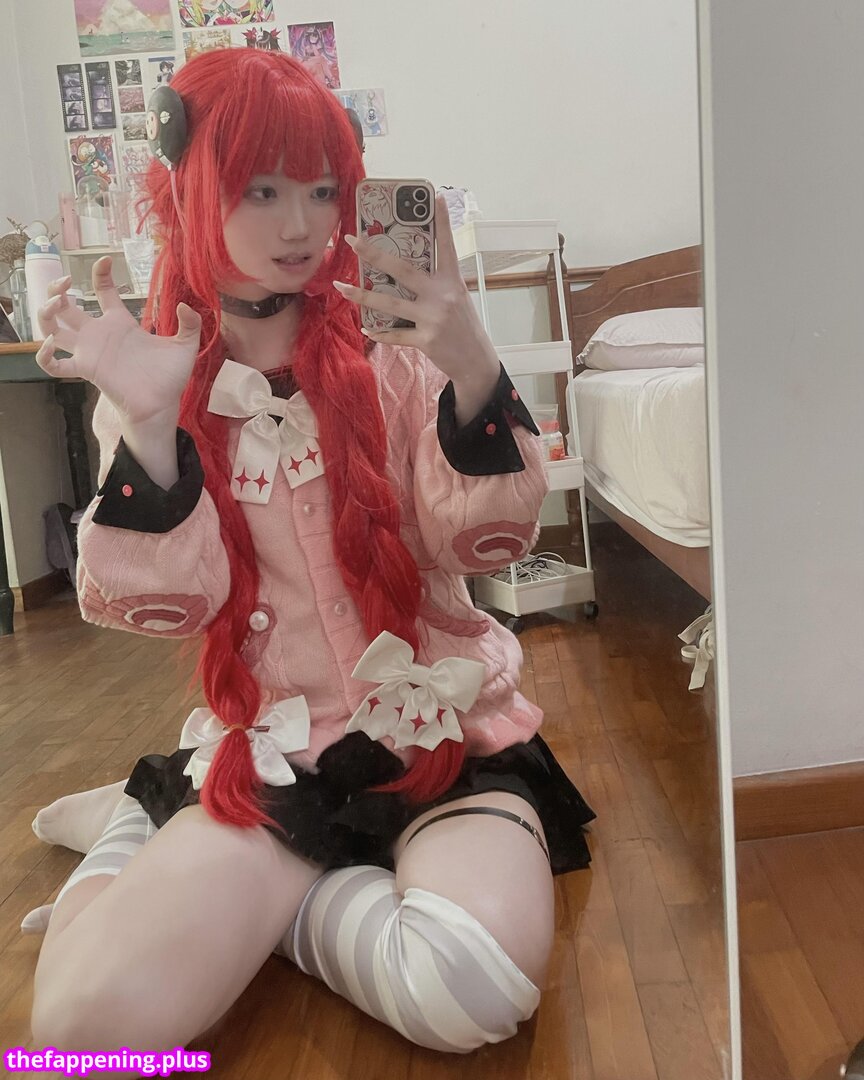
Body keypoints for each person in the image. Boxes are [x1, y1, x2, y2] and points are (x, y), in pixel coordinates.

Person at [28, 47, 595, 1066]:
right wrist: (149, 429)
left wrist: (470, 357)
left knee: (474, 989)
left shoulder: (400, 345)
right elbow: (170, 603)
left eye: (323, 190)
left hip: (442, 727)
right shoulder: (156, 372)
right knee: (82, 1035)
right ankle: (135, 821)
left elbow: (483, 539)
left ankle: (219, 867)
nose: (302, 225)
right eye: (263, 190)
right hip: (279, 750)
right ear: (189, 186)